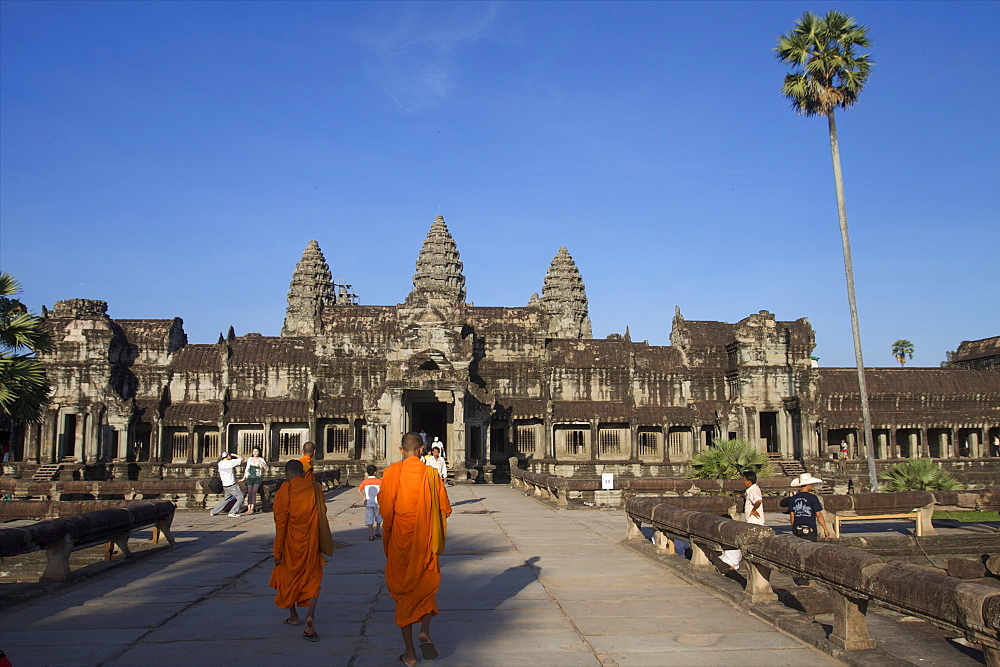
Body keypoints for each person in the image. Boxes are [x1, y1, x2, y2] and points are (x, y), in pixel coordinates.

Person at [379, 432, 452, 666]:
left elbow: (386, 511)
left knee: (403, 595)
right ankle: (425, 630)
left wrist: (389, 536)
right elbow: (445, 509)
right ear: (422, 450)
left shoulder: (391, 473)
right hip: (425, 541)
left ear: (402, 451)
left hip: (401, 542)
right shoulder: (431, 475)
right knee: (426, 587)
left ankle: (410, 654)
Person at [269, 459, 330, 642]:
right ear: (303, 473)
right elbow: (322, 513)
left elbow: (281, 524)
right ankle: (310, 616)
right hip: (310, 543)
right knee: (313, 579)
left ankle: (294, 616)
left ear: (287, 475)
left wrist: (277, 550)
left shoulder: (284, 491)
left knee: (287, 579)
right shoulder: (315, 488)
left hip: (289, 545)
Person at [719, 471, 764, 571]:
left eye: (744, 480)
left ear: (749, 481)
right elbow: (750, 496)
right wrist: (742, 495)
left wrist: (754, 510)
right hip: (751, 521)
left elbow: (758, 501)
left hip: (755, 521)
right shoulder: (750, 490)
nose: (743, 482)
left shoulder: (754, 490)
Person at [210, 452, 244, 517]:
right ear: (227, 456)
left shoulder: (220, 463)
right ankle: (233, 512)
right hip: (231, 484)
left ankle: (214, 511)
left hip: (225, 485)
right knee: (240, 498)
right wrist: (234, 455)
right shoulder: (230, 462)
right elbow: (242, 459)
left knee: (226, 499)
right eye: (229, 455)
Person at [358, 464, 383, 541]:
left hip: (368, 502)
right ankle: (377, 531)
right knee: (378, 517)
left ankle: (371, 535)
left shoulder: (365, 481)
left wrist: (364, 497)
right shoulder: (379, 481)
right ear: (375, 472)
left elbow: (359, 490)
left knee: (369, 518)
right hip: (377, 502)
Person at [241, 446, 269, 514]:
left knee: (254, 492)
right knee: (249, 492)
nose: (255, 453)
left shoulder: (261, 459)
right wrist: (243, 478)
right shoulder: (250, 459)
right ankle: (249, 507)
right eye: (254, 451)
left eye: (256, 451)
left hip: (257, 478)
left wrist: (262, 464)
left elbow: (266, 468)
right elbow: (247, 469)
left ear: (259, 452)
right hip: (250, 477)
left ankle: (252, 507)